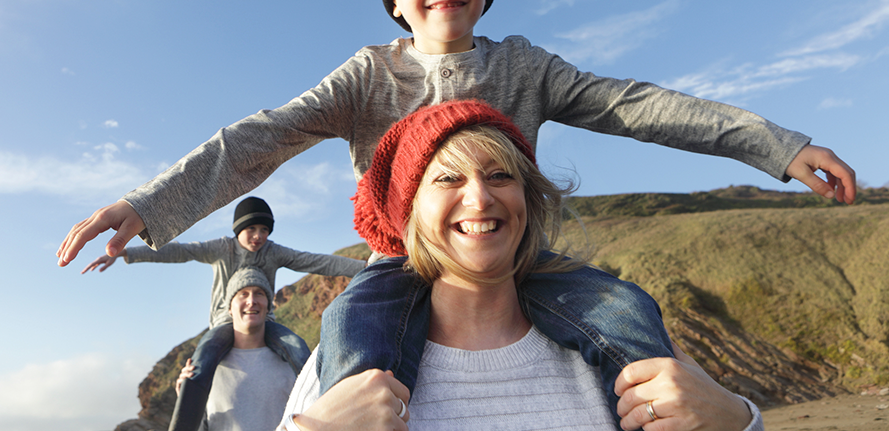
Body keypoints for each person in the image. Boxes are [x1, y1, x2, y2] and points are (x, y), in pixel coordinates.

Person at [56, 0, 851, 424]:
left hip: (519, 259)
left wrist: (777, 146)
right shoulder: (369, 75)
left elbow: (638, 104)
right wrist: (151, 205)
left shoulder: (525, 69)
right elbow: (260, 137)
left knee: (625, 307)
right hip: (396, 265)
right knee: (349, 336)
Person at [278, 99, 763, 431]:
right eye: (447, 178)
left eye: (499, 175)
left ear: (526, 199)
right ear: (409, 213)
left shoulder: (630, 346)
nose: (480, 197)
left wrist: (739, 421)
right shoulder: (343, 358)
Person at [82, 196, 364, 431]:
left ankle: (320, 408)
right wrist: (124, 254)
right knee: (199, 366)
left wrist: (366, 267)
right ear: (238, 228)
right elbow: (181, 252)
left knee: (298, 348)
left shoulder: (273, 252)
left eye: (265, 231)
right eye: (252, 229)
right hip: (223, 324)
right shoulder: (221, 248)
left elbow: (315, 261)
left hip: (263, 321)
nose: (259, 236)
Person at [174, 266, 309, 431]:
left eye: (259, 293)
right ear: (230, 308)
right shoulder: (207, 368)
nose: (251, 301)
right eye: (243, 294)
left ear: (268, 306)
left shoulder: (291, 364)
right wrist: (186, 397)